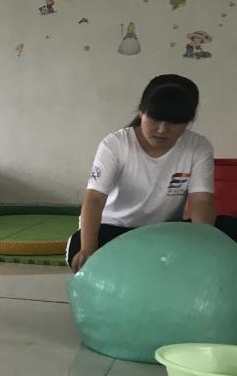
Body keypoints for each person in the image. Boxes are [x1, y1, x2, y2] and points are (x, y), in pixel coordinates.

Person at [69, 74, 237, 271]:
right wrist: (88, 249)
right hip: (116, 230)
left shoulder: (198, 147)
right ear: (142, 111)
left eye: (174, 122)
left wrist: (201, 244)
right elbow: (95, 199)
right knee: (78, 246)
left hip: (165, 232)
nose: (162, 129)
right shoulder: (115, 144)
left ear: (188, 121)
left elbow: (202, 201)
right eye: (155, 118)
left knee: (228, 227)